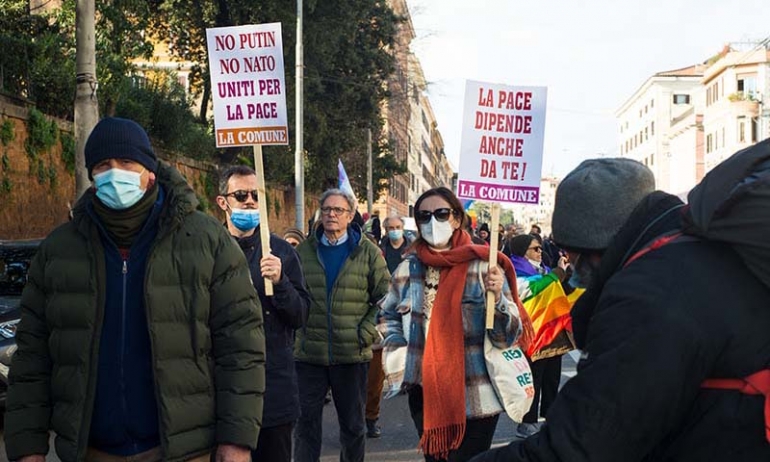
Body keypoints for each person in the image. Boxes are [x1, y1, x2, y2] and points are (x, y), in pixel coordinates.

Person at [471, 156, 770, 461]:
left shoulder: (649, 293)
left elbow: (582, 445)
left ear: (589, 246)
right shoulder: (692, 254)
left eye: (568, 251)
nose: (569, 264)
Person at [4, 117, 265, 462]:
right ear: (92, 178)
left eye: (127, 163)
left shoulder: (206, 241)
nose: (115, 173)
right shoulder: (58, 250)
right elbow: (32, 357)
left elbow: (241, 345)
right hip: (92, 450)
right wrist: (27, 448)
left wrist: (236, 441)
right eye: (103, 165)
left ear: (151, 172)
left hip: (185, 450)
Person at [380, 186, 530, 462]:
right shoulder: (407, 269)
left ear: (457, 218)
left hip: (476, 393)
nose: (432, 222)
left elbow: (507, 337)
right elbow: (387, 314)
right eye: (424, 216)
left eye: (441, 213)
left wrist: (496, 299)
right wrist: (397, 348)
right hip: (425, 391)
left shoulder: (485, 267)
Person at [216, 166, 311, 462]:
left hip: (274, 391)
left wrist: (281, 282)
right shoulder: (208, 249)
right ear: (223, 202)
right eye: (241, 195)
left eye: (256, 195)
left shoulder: (281, 251)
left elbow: (301, 315)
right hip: (224, 390)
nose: (249, 202)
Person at [293, 188, 391, 462]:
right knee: (305, 427)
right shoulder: (304, 250)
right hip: (308, 354)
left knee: (353, 427)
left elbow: (385, 296)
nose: (331, 215)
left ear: (350, 216)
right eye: (326, 209)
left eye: (338, 210)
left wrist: (368, 328)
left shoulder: (368, 253)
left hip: (351, 353)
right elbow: (291, 295)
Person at [508, 234, 571, 439]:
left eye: (540, 249)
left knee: (551, 379)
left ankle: (550, 418)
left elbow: (555, 287)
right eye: (535, 249)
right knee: (533, 380)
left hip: (551, 335)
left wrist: (562, 272)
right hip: (532, 337)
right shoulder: (514, 273)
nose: (540, 252)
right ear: (521, 252)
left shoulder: (543, 270)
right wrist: (557, 273)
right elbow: (533, 289)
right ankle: (528, 422)